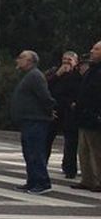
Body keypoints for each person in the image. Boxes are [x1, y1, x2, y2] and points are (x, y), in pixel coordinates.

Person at [10, 50, 57, 194]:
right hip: (28, 120)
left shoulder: (35, 76)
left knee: (36, 152)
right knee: (29, 152)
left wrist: (50, 110)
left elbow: (45, 97)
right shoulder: (29, 76)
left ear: (30, 61)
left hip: (36, 120)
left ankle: (42, 182)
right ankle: (32, 181)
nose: (18, 60)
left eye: (21, 57)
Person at [48, 51, 83, 180]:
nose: (66, 62)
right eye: (64, 60)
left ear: (75, 62)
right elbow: (47, 86)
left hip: (69, 111)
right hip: (55, 110)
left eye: (69, 60)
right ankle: (42, 164)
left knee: (71, 141)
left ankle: (69, 168)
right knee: (48, 139)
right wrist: (58, 74)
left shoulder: (78, 75)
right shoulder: (55, 73)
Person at [73, 41, 101, 192]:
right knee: (83, 150)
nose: (92, 51)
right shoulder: (92, 70)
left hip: (94, 116)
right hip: (84, 116)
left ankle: (98, 180)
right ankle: (87, 179)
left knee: (96, 150)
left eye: (96, 49)